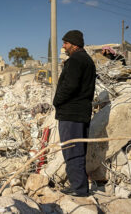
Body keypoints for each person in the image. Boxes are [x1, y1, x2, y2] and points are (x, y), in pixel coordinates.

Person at [53, 30, 96, 197]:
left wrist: (57, 101)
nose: (63, 46)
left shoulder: (76, 61)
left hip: (71, 114)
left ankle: (79, 190)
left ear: (74, 44)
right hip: (81, 113)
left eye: (66, 43)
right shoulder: (87, 60)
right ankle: (77, 185)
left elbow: (69, 86)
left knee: (72, 150)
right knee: (78, 150)